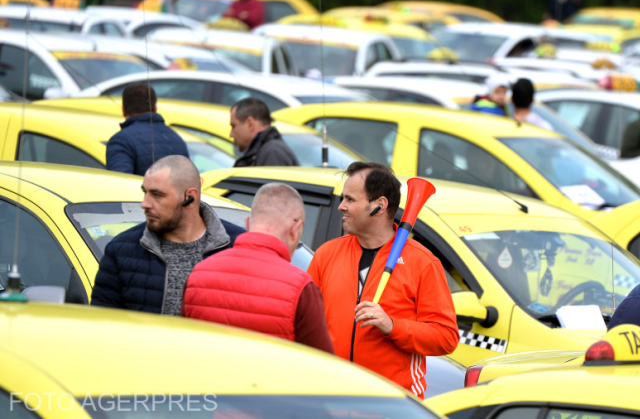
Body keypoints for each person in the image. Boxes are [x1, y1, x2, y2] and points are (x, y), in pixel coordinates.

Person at [307, 162, 458, 398]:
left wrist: (392, 326)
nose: (341, 206)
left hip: (392, 404)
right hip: (330, 399)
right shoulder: (326, 254)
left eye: (350, 199)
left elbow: (445, 337)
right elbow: (306, 323)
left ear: (379, 205)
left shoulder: (422, 262)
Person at [182, 183, 335, 353]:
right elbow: (321, 364)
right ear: (295, 229)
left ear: (248, 224)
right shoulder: (301, 288)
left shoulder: (199, 273)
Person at [91, 155, 244, 315]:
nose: (145, 204)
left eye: (157, 195)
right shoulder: (121, 250)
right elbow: (102, 326)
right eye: (145, 193)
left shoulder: (238, 248)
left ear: (189, 197)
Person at [106, 83, 189, 177]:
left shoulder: (121, 141)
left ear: (123, 109)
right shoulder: (177, 139)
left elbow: (120, 182)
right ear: (155, 107)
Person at [230, 97, 299, 167]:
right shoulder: (267, 151)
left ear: (250, 124)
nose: (231, 134)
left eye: (233, 126)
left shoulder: (273, 153)